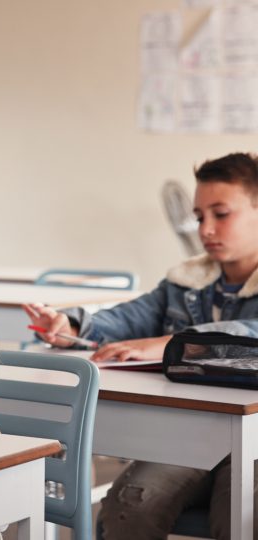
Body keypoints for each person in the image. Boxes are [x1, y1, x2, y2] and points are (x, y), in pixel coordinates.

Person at [24, 152, 258, 539]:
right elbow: (132, 316)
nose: (206, 229)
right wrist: (74, 324)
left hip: (253, 444)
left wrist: (173, 344)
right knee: (130, 505)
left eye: (221, 213)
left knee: (239, 513)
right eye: (200, 217)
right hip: (188, 434)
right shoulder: (186, 281)